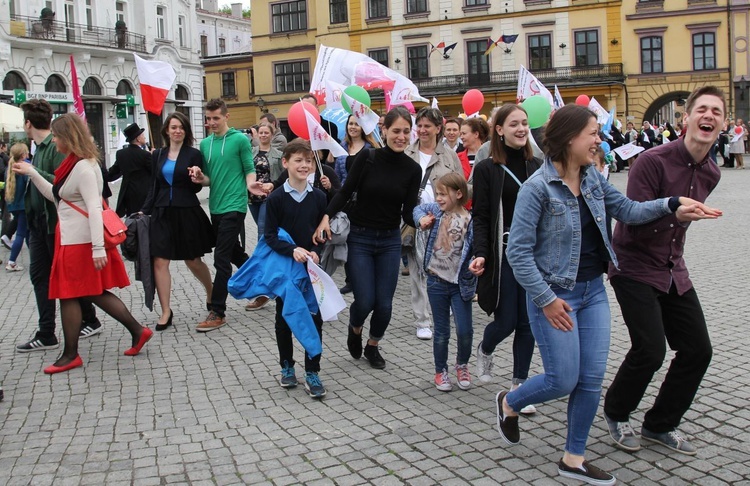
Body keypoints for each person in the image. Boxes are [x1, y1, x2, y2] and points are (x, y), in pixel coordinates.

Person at [495, 104, 720, 485]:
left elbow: (629, 211)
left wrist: (672, 204)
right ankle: (508, 402)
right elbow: (516, 252)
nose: (599, 140)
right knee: (561, 379)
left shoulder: (594, 179)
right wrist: (547, 300)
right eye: (593, 133)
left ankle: (573, 458)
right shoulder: (537, 189)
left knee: (590, 380)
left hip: (593, 292)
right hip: (555, 296)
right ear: (570, 139)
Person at [603, 86, 725, 456]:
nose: (709, 116)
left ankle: (660, 424)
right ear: (684, 119)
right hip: (634, 264)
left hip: (673, 267)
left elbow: (679, 225)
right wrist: (673, 211)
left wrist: (681, 218)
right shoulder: (652, 161)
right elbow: (632, 220)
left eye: (716, 111)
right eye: (701, 109)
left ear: (721, 124)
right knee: (651, 349)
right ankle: (617, 412)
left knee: (698, 350)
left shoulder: (712, 173)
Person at [13, 113, 153, 374]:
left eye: (56, 136)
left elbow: (93, 207)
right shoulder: (74, 164)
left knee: (72, 295)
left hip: (79, 243)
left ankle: (71, 354)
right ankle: (136, 331)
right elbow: (58, 197)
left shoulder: (83, 167)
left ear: (67, 136)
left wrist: (98, 248)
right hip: (71, 240)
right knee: (89, 293)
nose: (53, 140)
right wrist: (31, 172)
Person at [314, 106, 422, 369]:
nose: (401, 136)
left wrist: (421, 220)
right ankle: (355, 327)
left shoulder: (412, 169)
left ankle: (373, 345)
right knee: (365, 300)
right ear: (383, 130)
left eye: (406, 132)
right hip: (360, 238)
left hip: (389, 241)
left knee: (384, 305)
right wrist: (326, 216)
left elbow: (408, 212)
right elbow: (344, 191)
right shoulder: (368, 158)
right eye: (396, 130)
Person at [469, 104, 541, 416]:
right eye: (514, 124)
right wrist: (481, 252)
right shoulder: (487, 169)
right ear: (499, 130)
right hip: (504, 253)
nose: (521, 129)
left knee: (528, 323)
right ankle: (485, 347)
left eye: (525, 123)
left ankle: (518, 387)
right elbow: (482, 217)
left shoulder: (537, 166)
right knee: (507, 320)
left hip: (533, 254)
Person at [17, 99, 102, 353]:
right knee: (41, 277)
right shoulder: (40, 148)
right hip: (38, 223)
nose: (55, 139)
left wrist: (98, 247)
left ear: (28, 123)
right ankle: (49, 333)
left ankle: (87, 323)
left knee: (70, 284)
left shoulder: (60, 152)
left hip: (58, 226)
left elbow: (61, 188)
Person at [264, 139, 328, 398]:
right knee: (284, 317)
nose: (304, 165)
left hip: (311, 270)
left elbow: (322, 234)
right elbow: (269, 236)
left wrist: (317, 251)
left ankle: (312, 370)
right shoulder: (276, 199)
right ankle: (287, 366)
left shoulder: (319, 197)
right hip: (286, 268)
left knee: (315, 317)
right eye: (298, 160)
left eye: (308, 160)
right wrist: (292, 250)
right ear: (286, 163)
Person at [140, 112, 214, 331]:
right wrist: (144, 211)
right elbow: (154, 185)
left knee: (193, 260)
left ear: (186, 131)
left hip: (186, 210)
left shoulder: (193, 154)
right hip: (162, 212)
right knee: (160, 262)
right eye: (173, 127)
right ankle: (166, 311)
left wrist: (197, 177)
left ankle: (211, 292)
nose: (177, 130)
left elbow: (196, 187)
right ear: (166, 130)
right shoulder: (158, 154)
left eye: (181, 127)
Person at [190, 98, 258, 332]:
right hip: (216, 207)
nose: (211, 123)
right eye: (208, 119)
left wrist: (251, 185)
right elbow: (209, 178)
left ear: (226, 117)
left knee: (221, 258)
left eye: (216, 118)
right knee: (235, 253)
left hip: (235, 205)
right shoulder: (205, 144)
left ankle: (217, 311)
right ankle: (264, 285)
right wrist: (201, 179)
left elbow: (249, 169)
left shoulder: (239, 139)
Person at [404, 107, 465, 341]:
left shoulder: (449, 156)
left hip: (443, 220)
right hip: (414, 221)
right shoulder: (407, 153)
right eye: (419, 126)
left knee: (442, 267)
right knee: (418, 270)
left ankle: (441, 306)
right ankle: (422, 319)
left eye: (427, 126)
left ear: (438, 129)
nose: (422, 130)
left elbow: (460, 186)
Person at [414, 173, 476, 391]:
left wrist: (476, 265)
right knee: (441, 331)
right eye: (437, 193)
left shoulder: (469, 220)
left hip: (460, 284)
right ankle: (441, 370)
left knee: (465, 330)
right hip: (436, 281)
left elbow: (475, 250)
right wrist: (421, 220)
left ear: (458, 194)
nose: (439, 198)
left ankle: (462, 364)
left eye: (443, 193)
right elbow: (417, 209)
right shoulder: (437, 213)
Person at [244, 123, 284, 311]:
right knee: (264, 236)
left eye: (267, 132)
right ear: (257, 134)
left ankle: (263, 287)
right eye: (261, 132)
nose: (264, 135)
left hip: (269, 198)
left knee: (262, 237)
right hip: (253, 199)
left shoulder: (277, 153)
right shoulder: (250, 151)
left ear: (272, 134)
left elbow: (282, 175)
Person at [107, 123, 152, 217]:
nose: (144, 137)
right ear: (138, 139)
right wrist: (154, 156)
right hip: (144, 193)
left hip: (128, 193)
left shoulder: (121, 154)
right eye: (142, 135)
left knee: (131, 218)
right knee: (144, 220)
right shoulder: (145, 155)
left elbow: (113, 171)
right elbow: (154, 171)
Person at [4, 143, 30, 271]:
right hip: (24, 205)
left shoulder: (9, 168)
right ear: (23, 154)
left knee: (28, 233)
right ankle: (12, 261)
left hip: (14, 205)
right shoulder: (25, 167)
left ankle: (37, 258)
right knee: (21, 234)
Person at [334, 114, 379, 185]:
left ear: (363, 128)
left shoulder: (372, 149)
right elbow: (337, 176)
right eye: (350, 124)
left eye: (357, 124)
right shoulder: (341, 147)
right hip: (345, 193)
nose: (353, 127)